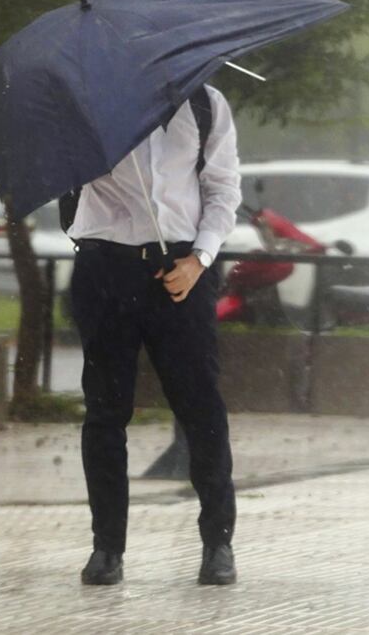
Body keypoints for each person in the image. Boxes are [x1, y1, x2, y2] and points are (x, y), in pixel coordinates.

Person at [66, 83, 242, 586]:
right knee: (105, 412)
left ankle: (217, 543)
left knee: (201, 408)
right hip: (105, 267)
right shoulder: (93, 103)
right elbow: (68, 182)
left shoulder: (208, 104)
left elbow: (224, 189)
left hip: (183, 269)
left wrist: (201, 258)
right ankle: (107, 549)